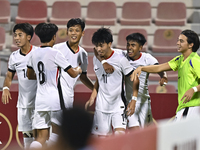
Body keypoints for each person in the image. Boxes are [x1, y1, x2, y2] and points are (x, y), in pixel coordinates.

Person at [27, 23, 82, 149]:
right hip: (55, 99)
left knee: (40, 137)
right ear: (53, 37)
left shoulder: (33, 53)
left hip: (40, 100)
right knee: (57, 133)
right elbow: (73, 74)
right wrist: (79, 69)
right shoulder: (55, 53)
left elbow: (30, 75)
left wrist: (44, 75)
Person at [131, 29, 200, 121]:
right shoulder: (180, 59)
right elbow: (160, 68)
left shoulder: (194, 60)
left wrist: (193, 89)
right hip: (184, 108)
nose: (178, 43)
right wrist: (142, 68)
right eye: (178, 40)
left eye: (181, 41)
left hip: (193, 107)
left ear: (191, 45)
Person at [85, 27, 139, 136]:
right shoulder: (96, 59)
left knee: (120, 137)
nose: (98, 49)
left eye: (101, 45)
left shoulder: (120, 59)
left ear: (109, 44)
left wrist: (133, 100)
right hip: (101, 107)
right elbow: (99, 80)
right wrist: (92, 97)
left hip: (118, 106)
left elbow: (135, 79)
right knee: (101, 141)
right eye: (96, 45)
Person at [1, 23, 37, 149]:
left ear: (28, 37)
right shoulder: (14, 56)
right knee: (27, 136)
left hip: (40, 103)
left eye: (20, 35)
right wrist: (6, 88)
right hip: (23, 103)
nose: (16, 38)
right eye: (15, 35)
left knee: (41, 137)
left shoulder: (38, 53)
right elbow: (9, 76)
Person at [123, 33, 168, 130]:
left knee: (146, 132)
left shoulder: (147, 58)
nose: (129, 48)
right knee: (134, 131)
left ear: (140, 47)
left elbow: (159, 69)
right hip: (129, 101)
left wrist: (163, 77)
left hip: (143, 101)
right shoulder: (123, 56)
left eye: (133, 45)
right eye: (128, 44)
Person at [53, 18, 94, 109]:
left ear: (82, 33)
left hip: (69, 95)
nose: (73, 33)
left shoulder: (83, 54)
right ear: (67, 32)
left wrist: (96, 89)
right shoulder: (57, 49)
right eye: (71, 30)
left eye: (77, 30)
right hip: (57, 94)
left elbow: (83, 76)